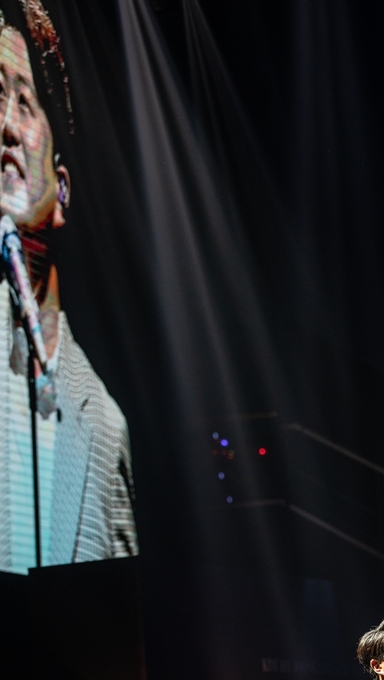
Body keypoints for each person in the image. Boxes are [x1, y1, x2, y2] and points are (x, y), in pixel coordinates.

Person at [0, 0, 138, 573]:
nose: (4, 124)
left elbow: (120, 629)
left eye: (24, 102)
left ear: (61, 191)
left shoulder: (104, 422)